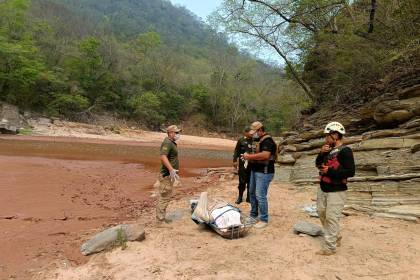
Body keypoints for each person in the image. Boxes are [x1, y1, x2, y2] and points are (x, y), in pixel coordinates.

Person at [315, 121, 355, 255]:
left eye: (328, 135)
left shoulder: (345, 151)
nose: (325, 138)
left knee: (332, 217)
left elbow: (351, 172)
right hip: (323, 188)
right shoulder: (328, 149)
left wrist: (330, 171)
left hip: (337, 190)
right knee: (321, 212)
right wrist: (321, 153)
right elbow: (318, 164)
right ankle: (336, 235)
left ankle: (330, 247)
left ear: (336, 135)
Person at [242, 121, 277, 229]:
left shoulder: (268, 140)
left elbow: (265, 155)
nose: (253, 134)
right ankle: (253, 215)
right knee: (252, 193)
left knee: (260, 195)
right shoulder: (257, 139)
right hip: (255, 170)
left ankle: (264, 219)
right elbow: (255, 153)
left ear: (260, 130)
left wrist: (249, 157)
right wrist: (247, 156)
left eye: (255, 132)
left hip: (264, 172)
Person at [156, 125, 182, 223]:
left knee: (166, 196)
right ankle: (160, 220)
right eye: (176, 133)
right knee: (164, 197)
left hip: (169, 175)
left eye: (178, 133)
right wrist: (171, 169)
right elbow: (163, 156)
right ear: (170, 133)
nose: (178, 134)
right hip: (166, 174)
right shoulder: (167, 142)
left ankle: (162, 217)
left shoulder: (171, 143)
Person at [232, 128, 252, 204]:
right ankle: (240, 197)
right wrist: (234, 161)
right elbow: (236, 150)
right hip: (242, 163)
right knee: (242, 181)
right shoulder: (241, 140)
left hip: (252, 163)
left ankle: (249, 197)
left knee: (250, 181)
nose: (251, 134)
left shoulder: (254, 140)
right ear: (245, 132)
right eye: (250, 132)